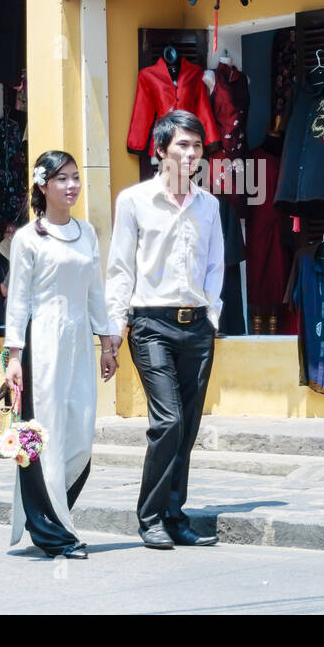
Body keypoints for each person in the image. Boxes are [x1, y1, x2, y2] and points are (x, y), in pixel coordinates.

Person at [106, 110, 225, 549]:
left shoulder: (209, 205)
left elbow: (215, 265)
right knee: (168, 420)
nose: (191, 153)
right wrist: (114, 329)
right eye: (182, 144)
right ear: (160, 151)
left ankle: (175, 516)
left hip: (196, 325)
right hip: (150, 324)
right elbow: (119, 267)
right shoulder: (134, 201)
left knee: (188, 424)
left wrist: (212, 315)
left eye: (196, 146)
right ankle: (150, 516)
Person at [4, 151, 119, 559]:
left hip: (77, 344)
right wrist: (13, 357)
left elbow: (95, 291)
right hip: (41, 344)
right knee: (40, 435)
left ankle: (54, 516)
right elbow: (17, 301)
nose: (72, 186)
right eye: (61, 179)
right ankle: (53, 531)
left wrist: (106, 342)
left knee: (79, 432)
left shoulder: (86, 233)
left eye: (75, 178)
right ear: (42, 185)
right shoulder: (27, 239)